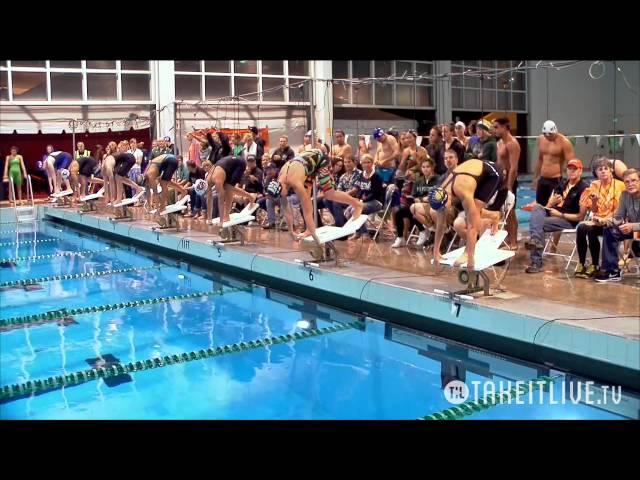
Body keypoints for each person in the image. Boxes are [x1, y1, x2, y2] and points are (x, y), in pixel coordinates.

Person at [266, 149, 363, 246]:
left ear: (281, 187)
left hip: (319, 159)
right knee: (307, 196)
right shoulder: (279, 183)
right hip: (306, 166)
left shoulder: (295, 183)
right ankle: (309, 229)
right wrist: (291, 232)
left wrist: (314, 235)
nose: (281, 197)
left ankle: (357, 204)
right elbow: (287, 211)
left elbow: (307, 210)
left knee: (329, 193)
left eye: (280, 195)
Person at [431, 159, 505, 270]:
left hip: (492, 173)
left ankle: (467, 252)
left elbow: (473, 226)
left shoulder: (463, 191)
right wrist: (436, 252)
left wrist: (470, 257)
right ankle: (494, 215)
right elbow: (440, 225)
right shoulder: (440, 193)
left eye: (443, 208)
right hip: (476, 170)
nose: (443, 210)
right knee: (473, 212)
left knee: (474, 213)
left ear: (448, 199)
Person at [524, 159, 589, 274]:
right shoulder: (562, 184)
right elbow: (548, 206)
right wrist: (550, 204)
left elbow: (580, 217)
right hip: (552, 214)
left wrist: (561, 214)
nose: (572, 172)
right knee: (537, 208)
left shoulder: (584, 188)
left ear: (580, 171)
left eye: (575, 169)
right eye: (570, 169)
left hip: (567, 220)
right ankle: (535, 241)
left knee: (539, 224)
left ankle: (536, 262)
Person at [574, 157, 625, 279]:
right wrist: (594, 202)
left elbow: (620, 211)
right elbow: (594, 210)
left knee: (591, 230)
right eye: (599, 169)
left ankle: (595, 264)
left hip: (613, 221)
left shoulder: (620, 185)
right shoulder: (594, 185)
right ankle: (582, 263)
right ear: (595, 173)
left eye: (605, 169)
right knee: (581, 228)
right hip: (597, 220)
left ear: (611, 170)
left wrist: (604, 220)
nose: (603, 171)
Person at [594, 169, 640, 282]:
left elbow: (632, 226)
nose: (630, 184)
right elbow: (619, 216)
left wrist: (632, 226)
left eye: (634, 181)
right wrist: (605, 221)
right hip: (634, 230)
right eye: (627, 182)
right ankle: (612, 271)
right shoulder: (625, 195)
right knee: (609, 231)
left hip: (636, 228)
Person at [493, 117, 521, 248]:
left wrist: (509, 186)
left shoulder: (512, 143)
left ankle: (514, 242)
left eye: (496, 127)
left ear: (505, 127)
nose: (494, 130)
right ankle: (508, 239)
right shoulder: (499, 143)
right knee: (503, 212)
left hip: (509, 182)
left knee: (511, 212)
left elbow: (514, 168)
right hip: (500, 181)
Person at [206, 154, 256, 225]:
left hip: (239, 163)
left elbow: (221, 199)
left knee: (228, 188)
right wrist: (209, 218)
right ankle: (250, 196)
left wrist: (221, 220)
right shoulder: (208, 181)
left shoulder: (217, 181)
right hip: (227, 165)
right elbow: (209, 200)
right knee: (228, 187)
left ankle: (227, 215)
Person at [534, 120, 575, 206]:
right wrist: (536, 177)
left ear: (555, 131)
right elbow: (540, 159)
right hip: (542, 179)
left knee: (553, 207)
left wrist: (571, 183)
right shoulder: (541, 139)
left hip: (555, 180)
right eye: (545, 134)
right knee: (540, 206)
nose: (548, 137)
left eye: (550, 134)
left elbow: (572, 164)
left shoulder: (564, 142)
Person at [405, 157, 440, 247]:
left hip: (435, 206)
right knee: (411, 209)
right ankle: (433, 230)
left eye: (428, 166)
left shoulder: (439, 179)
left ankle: (432, 232)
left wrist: (427, 199)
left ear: (432, 167)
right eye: (423, 167)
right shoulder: (418, 181)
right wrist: (423, 199)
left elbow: (439, 195)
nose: (425, 169)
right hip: (422, 206)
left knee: (414, 209)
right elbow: (415, 197)